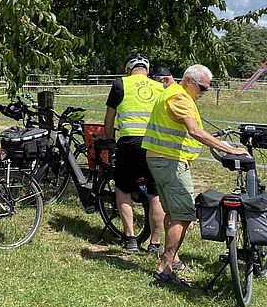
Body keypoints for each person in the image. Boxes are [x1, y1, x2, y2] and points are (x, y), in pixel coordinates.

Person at [142, 64, 248, 287]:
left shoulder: (174, 93)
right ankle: (165, 269)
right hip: (170, 162)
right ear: (189, 81)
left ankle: (170, 262)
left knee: (173, 212)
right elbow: (195, 131)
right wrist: (230, 150)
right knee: (184, 214)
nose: (203, 93)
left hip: (161, 159)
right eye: (202, 88)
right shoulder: (180, 97)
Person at [103, 53, 165, 253]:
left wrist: (108, 138)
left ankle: (130, 237)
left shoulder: (120, 83)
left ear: (129, 69)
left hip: (129, 141)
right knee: (155, 193)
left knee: (123, 188)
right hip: (155, 144)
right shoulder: (159, 87)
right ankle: (155, 243)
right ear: (147, 69)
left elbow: (110, 117)